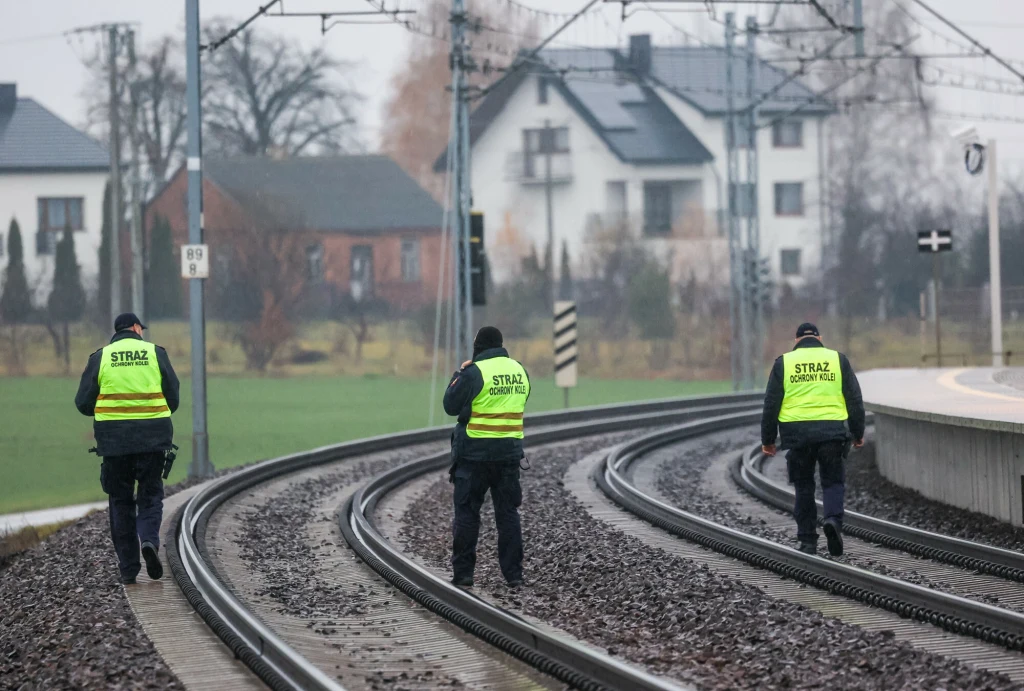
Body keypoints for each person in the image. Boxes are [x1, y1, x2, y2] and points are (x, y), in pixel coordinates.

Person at [75, 313, 180, 585]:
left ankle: (128, 568)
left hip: (114, 443)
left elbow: (83, 403)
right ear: (135, 328)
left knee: (120, 501)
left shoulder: (101, 357)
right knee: (150, 494)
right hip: (153, 440)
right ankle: (148, 541)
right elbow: (174, 397)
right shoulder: (155, 353)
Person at [760, 322, 865, 557]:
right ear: (819, 338)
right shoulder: (838, 360)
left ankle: (807, 540)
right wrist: (858, 433)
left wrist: (768, 440)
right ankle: (833, 521)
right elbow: (855, 400)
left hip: (798, 437)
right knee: (833, 482)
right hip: (831, 434)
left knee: (804, 487)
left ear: (796, 341)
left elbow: (771, 404)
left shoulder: (784, 363)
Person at [443, 326, 530, 588]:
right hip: (508, 458)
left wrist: (460, 373)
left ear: (478, 347)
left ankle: (464, 575)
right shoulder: (520, 371)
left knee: (468, 514)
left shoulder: (473, 373)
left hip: (473, 458)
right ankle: (514, 576)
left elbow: (450, 405)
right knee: (508, 515)